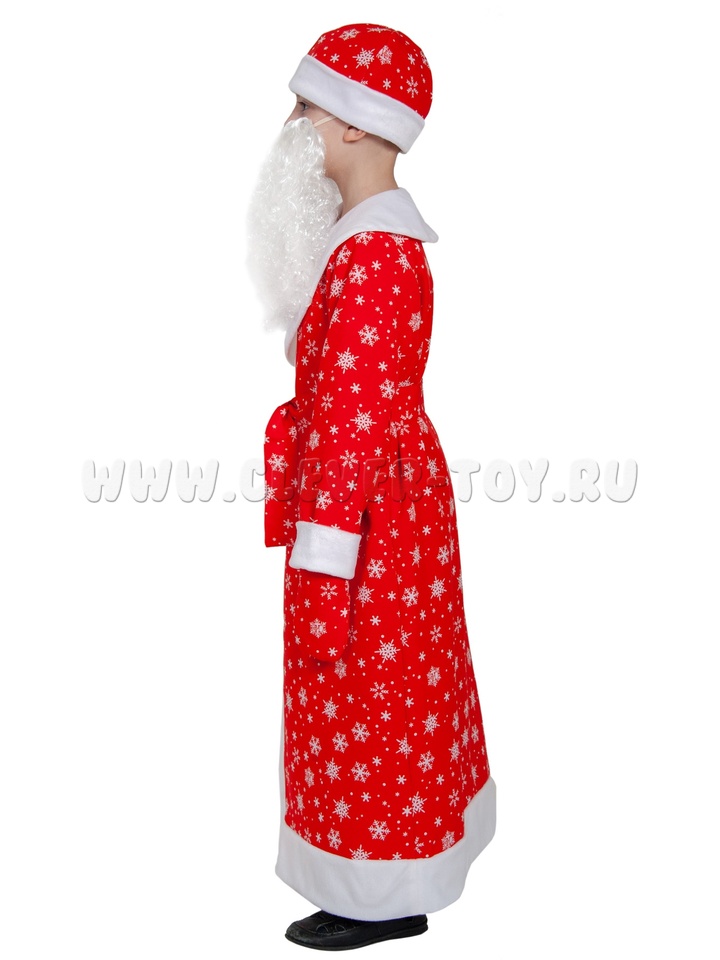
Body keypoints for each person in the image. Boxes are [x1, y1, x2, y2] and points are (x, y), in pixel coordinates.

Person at [247, 23, 497, 950]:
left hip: (366, 519)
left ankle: (379, 891)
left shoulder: (376, 257)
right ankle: (378, 877)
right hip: (384, 508)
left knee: (366, 689)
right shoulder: (365, 247)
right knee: (376, 690)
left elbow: (351, 426)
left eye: (306, 107)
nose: (294, 126)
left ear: (354, 123)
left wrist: (324, 560)